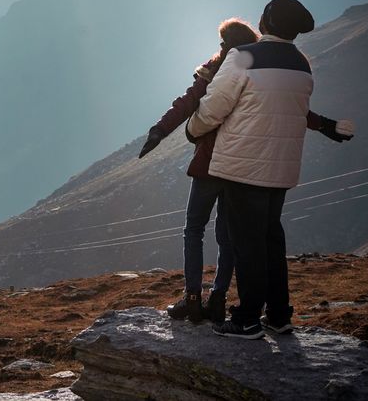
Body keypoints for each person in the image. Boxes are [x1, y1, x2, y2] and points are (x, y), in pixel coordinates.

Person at [139, 17, 353, 326]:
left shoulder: (219, 68)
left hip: (213, 163)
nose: (222, 47)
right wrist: (326, 126)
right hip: (239, 169)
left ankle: (193, 299)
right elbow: (296, 111)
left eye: (224, 42)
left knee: (194, 229)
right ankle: (219, 298)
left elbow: (189, 103)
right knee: (228, 237)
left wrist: (161, 130)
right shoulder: (257, 67)